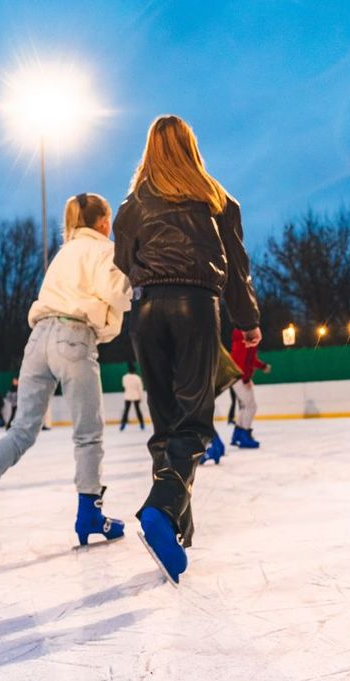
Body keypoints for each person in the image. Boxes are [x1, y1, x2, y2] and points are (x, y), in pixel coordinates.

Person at [113, 115, 261, 584]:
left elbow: (121, 265)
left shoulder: (131, 207)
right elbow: (238, 269)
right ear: (191, 148)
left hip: (148, 311)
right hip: (196, 307)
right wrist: (249, 322)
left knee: (166, 426)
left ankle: (177, 528)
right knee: (194, 425)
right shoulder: (217, 199)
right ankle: (161, 508)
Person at [0, 192, 132, 548]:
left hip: (37, 340)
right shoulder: (103, 250)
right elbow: (118, 294)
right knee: (88, 433)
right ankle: (89, 512)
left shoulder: (62, 255)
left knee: (22, 430)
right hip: (73, 337)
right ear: (105, 223)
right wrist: (132, 276)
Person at [229, 327, 270, 448]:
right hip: (239, 375)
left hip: (236, 375)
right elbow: (241, 359)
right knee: (251, 406)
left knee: (245, 406)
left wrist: (262, 366)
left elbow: (250, 359)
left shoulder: (244, 334)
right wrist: (245, 378)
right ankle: (244, 436)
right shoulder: (245, 334)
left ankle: (238, 434)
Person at [120, 362, 145, 431]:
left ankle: (123, 425)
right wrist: (141, 397)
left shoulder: (124, 377)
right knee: (138, 411)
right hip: (136, 396)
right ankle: (142, 424)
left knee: (126, 411)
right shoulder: (137, 378)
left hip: (127, 396)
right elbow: (140, 388)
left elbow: (124, 386)